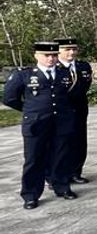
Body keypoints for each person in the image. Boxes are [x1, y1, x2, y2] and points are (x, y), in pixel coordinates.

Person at [3, 41, 78, 209]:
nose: (51, 59)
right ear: (36, 56)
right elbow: (9, 98)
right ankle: (30, 194)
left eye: (54, 55)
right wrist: (29, 109)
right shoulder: (24, 75)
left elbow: (69, 96)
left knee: (61, 156)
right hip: (36, 123)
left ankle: (62, 186)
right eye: (47, 55)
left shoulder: (64, 73)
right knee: (34, 159)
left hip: (60, 122)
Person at [55, 38, 93, 185]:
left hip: (79, 110)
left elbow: (85, 86)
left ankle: (76, 172)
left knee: (79, 142)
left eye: (74, 49)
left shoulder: (83, 66)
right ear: (58, 51)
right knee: (60, 144)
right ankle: (56, 175)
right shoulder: (55, 68)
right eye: (67, 49)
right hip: (60, 112)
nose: (71, 52)